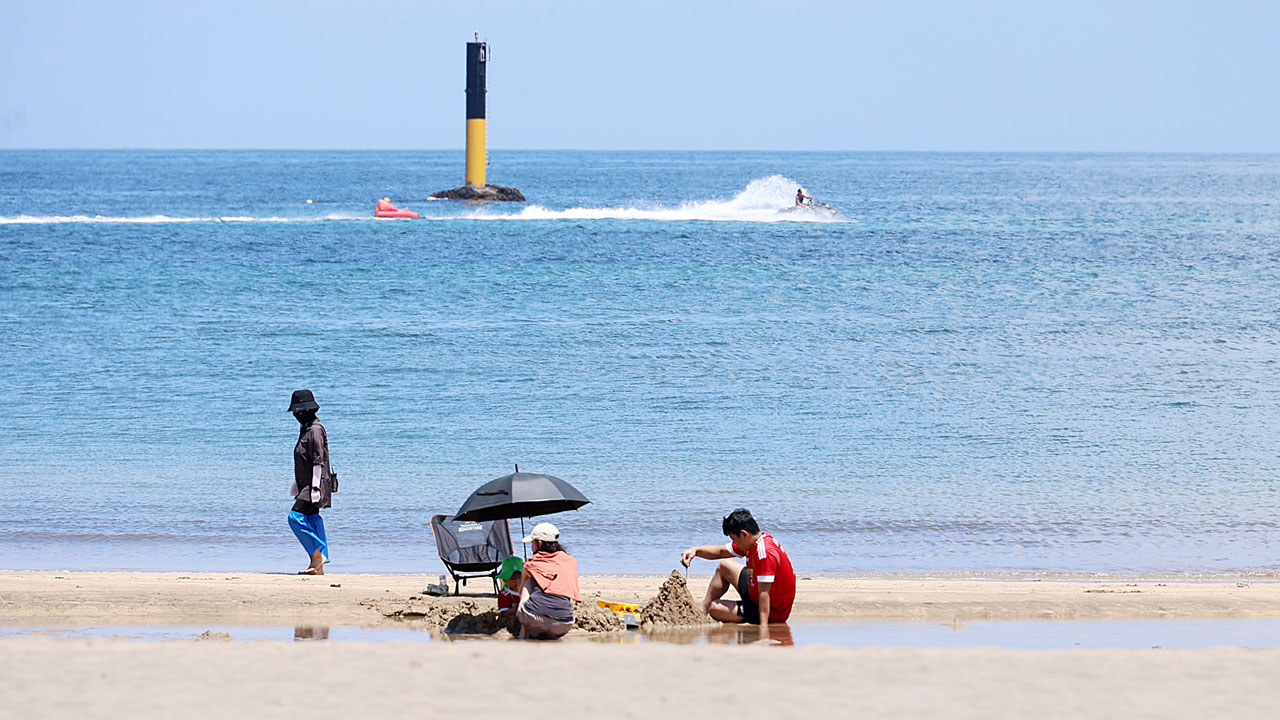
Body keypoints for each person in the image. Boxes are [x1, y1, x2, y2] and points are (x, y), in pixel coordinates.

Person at [679, 508, 796, 644]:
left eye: (734, 539)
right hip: (754, 588)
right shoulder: (755, 540)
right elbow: (721, 551)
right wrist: (695, 551)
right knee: (725, 565)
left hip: (772, 611)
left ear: (744, 534)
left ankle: (737, 628)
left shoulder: (765, 552)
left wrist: (764, 629)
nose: (734, 543)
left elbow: (764, 593)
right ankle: (700, 612)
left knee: (715, 608)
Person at [287, 389, 333, 575]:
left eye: (297, 411)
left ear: (307, 410)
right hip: (306, 484)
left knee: (295, 517)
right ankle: (318, 566)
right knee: (313, 519)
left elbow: (317, 460)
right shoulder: (306, 428)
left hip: (314, 485)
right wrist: (296, 484)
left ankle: (318, 555)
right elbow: (304, 461)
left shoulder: (314, 430)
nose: (295, 415)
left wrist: (314, 488)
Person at [516, 523, 579, 639]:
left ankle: (523, 633)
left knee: (528, 582)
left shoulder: (531, 563)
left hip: (533, 618)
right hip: (565, 624)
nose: (531, 546)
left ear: (539, 543)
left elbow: (520, 591)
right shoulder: (570, 561)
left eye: (532, 543)